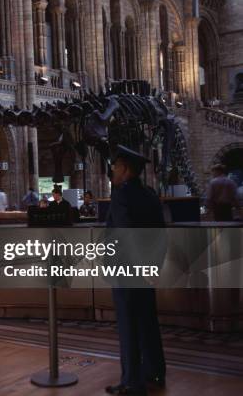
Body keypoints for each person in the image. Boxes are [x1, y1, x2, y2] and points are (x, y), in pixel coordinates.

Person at [105, 145, 166, 396]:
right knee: (148, 320)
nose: (113, 171)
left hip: (126, 269)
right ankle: (154, 371)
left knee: (128, 325)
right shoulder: (150, 194)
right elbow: (160, 234)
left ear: (126, 169)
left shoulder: (121, 195)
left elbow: (125, 233)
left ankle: (131, 382)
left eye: (116, 167)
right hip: (146, 270)